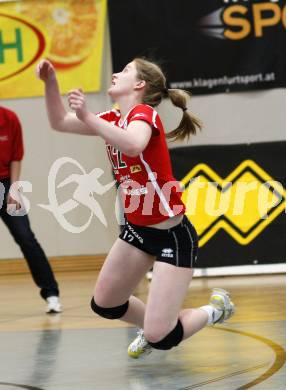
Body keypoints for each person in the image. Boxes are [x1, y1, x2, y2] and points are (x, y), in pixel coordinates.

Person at [37, 58, 235, 358]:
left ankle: (214, 310)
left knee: (162, 338)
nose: (116, 73)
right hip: (137, 230)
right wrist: (50, 83)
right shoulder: (112, 118)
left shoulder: (145, 114)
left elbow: (132, 145)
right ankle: (156, 324)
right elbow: (59, 122)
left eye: (126, 70)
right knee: (105, 303)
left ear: (140, 85)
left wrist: (88, 117)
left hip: (171, 235)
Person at [0, 106, 61, 314]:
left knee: (25, 236)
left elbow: (16, 157)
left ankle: (51, 293)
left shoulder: (9, 118)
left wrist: (14, 189)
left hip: (7, 185)